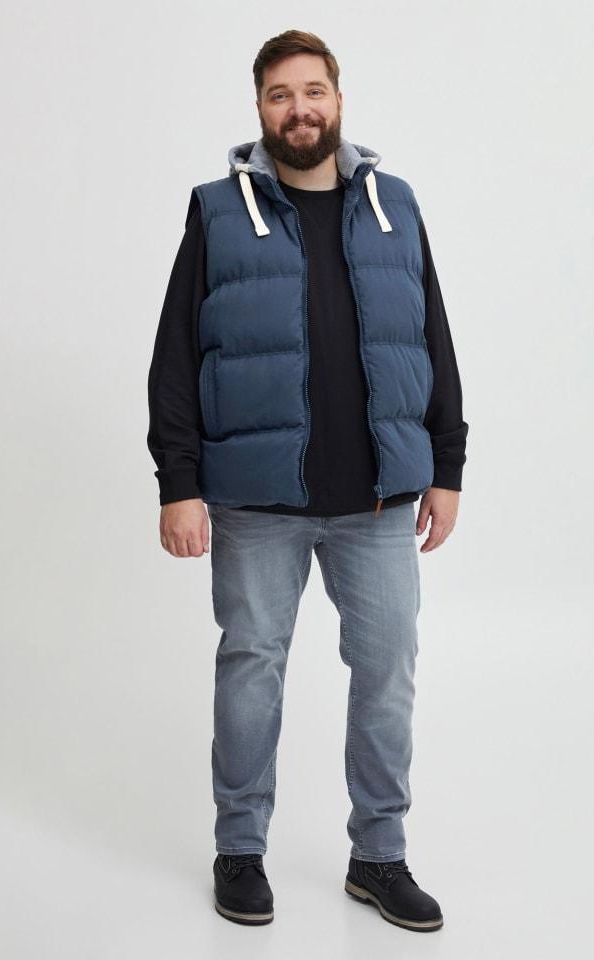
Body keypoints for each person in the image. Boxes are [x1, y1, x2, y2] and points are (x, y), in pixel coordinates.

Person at [147, 30, 469, 932]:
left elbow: (433, 337)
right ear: (259, 108)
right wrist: (178, 482)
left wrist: (446, 465)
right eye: (281, 94)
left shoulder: (395, 205)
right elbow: (175, 354)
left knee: (389, 672)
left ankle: (380, 856)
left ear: (338, 100)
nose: (300, 109)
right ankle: (239, 849)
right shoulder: (218, 211)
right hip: (256, 501)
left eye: (313, 91)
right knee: (252, 669)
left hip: (378, 499)